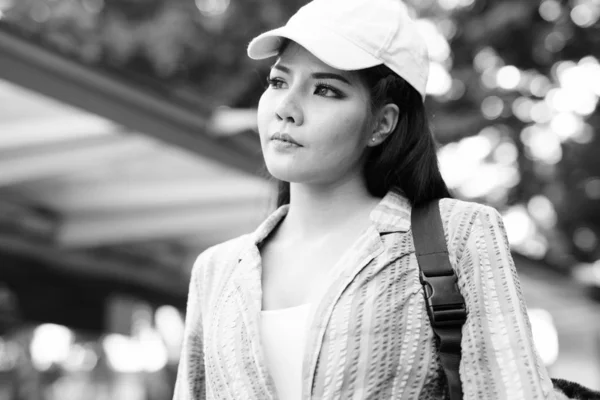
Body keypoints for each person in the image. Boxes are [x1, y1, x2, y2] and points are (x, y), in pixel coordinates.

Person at [173, 0, 566, 399]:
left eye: (325, 89)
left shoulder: (459, 235)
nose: (286, 109)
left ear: (382, 123)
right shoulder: (216, 272)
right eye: (277, 82)